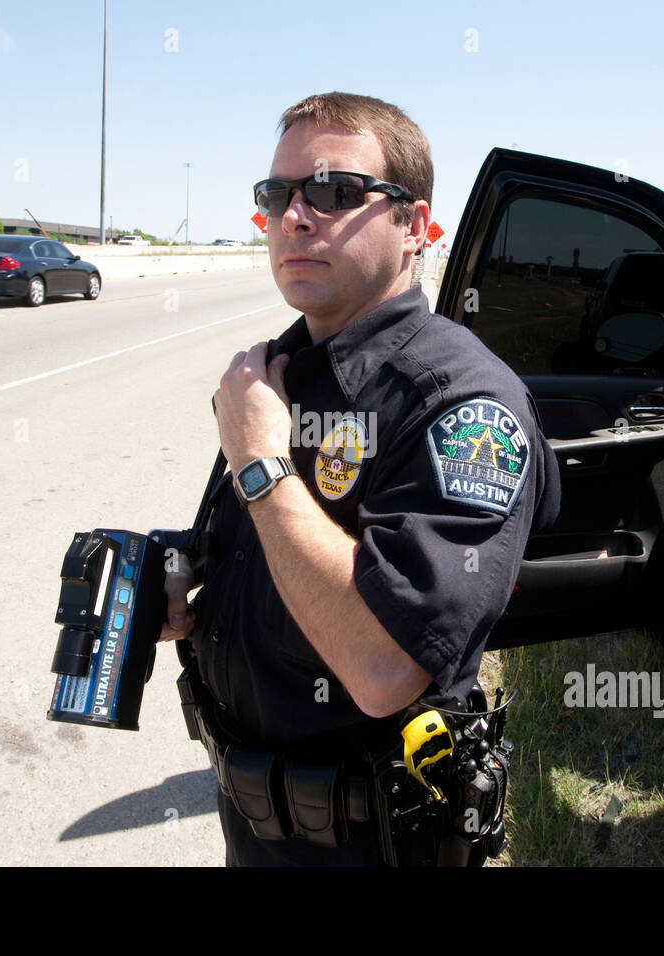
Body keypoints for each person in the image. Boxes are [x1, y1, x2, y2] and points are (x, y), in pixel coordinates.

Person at [159, 91, 560, 866]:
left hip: (374, 842)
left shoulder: (465, 405)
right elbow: (255, 544)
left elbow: (383, 669)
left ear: (414, 226)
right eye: (277, 195)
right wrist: (184, 571)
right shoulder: (277, 369)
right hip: (254, 824)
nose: (296, 217)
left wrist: (261, 465)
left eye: (335, 192)